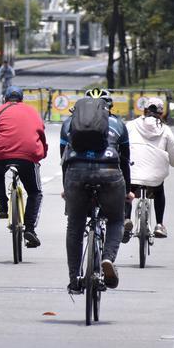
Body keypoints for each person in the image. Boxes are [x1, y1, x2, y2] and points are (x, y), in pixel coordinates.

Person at [60, 88, 131, 293]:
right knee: (116, 220)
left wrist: (67, 187)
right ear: (109, 106)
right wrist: (127, 191)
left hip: (76, 174)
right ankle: (107, 258)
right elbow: (125, 162)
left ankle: (75, 280)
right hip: (110, 173)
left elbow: (64, 160)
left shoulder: (69, 123)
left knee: (75, 225)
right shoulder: (118, 124)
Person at [0, 87, 48, 248]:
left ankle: (3, 206)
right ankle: (30, 229)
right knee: (35, 192)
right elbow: (42, 136)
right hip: (28, 156)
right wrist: (41, 154)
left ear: (5, 99)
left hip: (1, 154)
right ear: (21, 99)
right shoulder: (32, 112)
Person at [122, 98, 174, 241]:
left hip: (133, 171)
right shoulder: (165, 130)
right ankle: (159, 224)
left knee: (127, 191)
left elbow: (121, 145)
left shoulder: (130, 125)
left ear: (144, 111)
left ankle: (126, 219)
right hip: (154, 177)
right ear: (162, 114)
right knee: (159, 190)